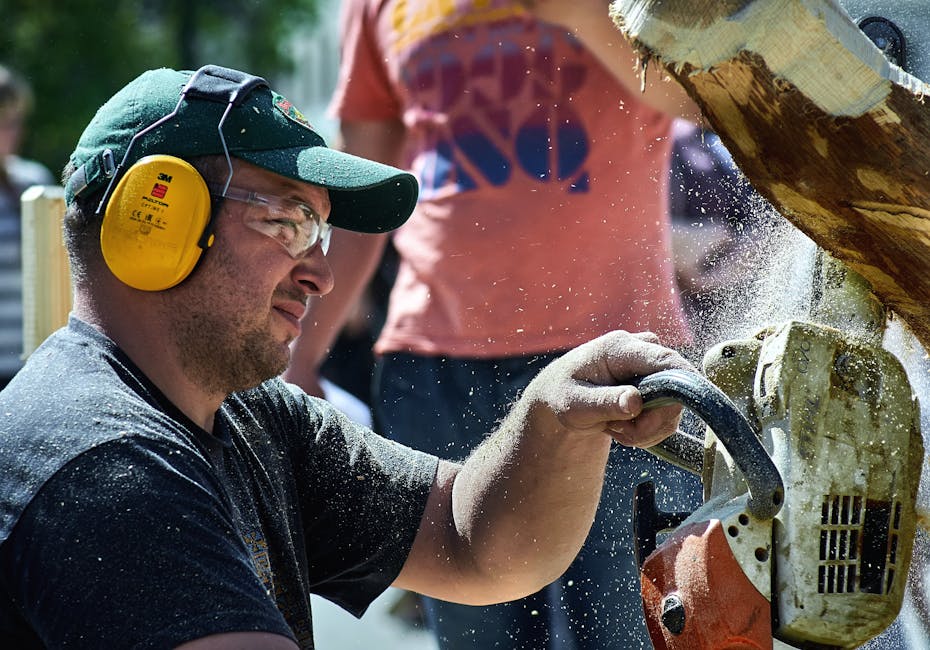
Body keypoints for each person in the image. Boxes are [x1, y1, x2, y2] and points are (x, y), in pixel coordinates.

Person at [0, 64, 694, 650]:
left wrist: (552, 418)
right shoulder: (102, 460)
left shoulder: (249, 416)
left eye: (321, 231)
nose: (320, 275)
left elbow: (471, 542)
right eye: (289, 220)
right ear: (155, 222)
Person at [284, 1, 705, 647]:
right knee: (479, 637)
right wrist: (301, 353)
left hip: (619, 358)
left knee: (637, 632)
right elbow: (366, 171)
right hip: (433, 369)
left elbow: (703, 98)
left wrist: (583, 14)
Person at [0, 65, 54, 387]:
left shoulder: (33, 182)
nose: (13, 133)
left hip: (28, 365)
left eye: (16, 122)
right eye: (4, 122)